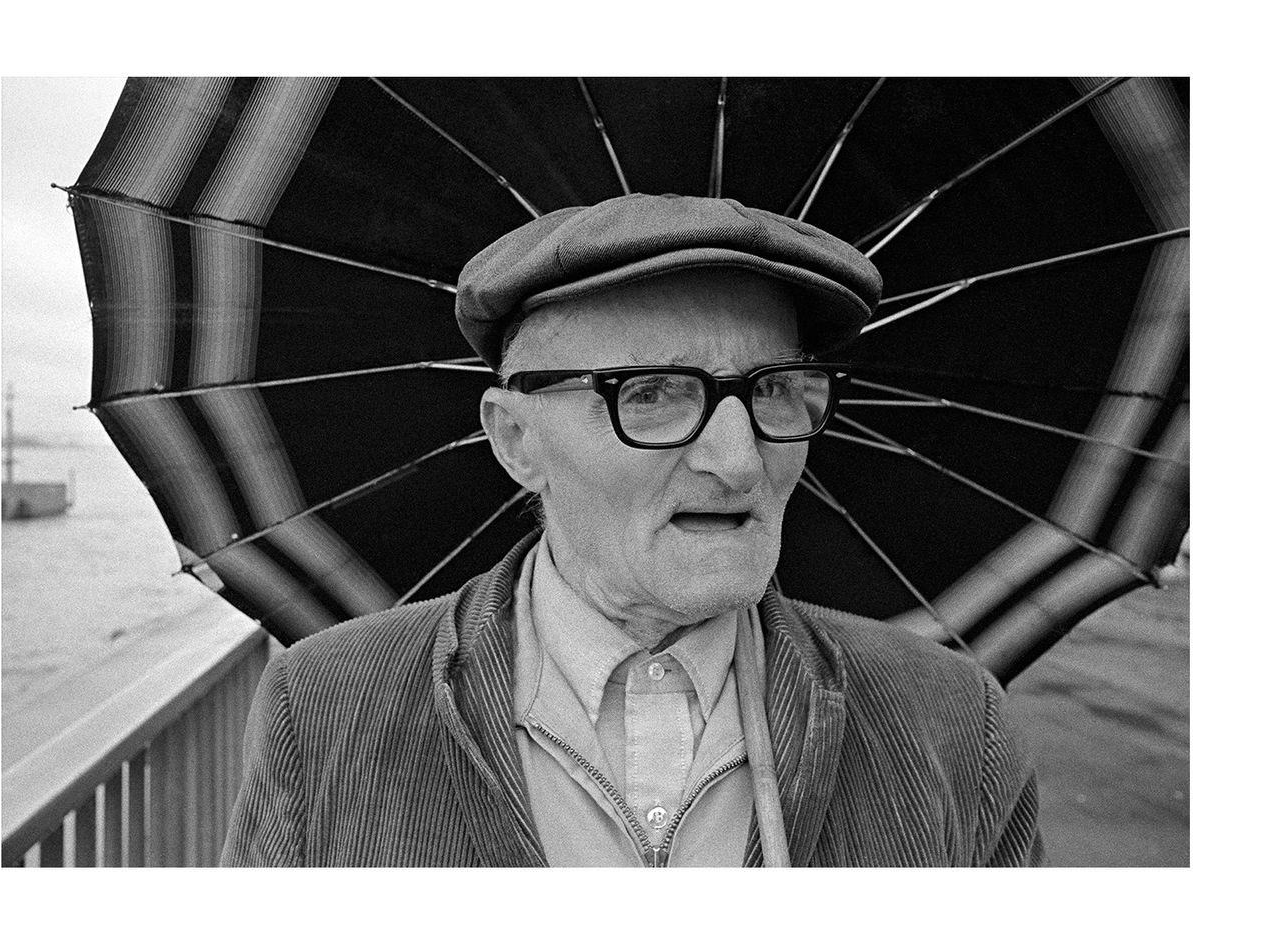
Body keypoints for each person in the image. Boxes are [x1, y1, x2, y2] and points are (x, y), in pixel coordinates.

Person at [221, 193, 1045, 867]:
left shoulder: (952, 722)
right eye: (651, 392)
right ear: (516, 439)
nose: (740, 461)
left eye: (772, 388)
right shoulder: (322, 706)